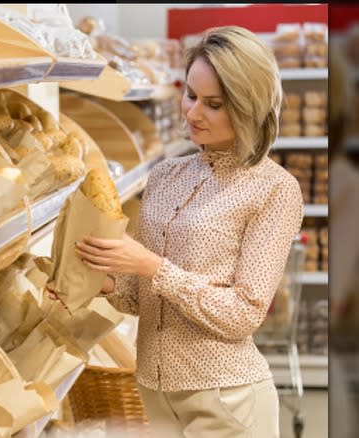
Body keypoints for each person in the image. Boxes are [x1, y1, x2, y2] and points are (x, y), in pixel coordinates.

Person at [75, 26, 303, 437]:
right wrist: (97, 278)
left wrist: (152, 266)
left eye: (214, 104)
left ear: (248, 107)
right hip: (155, 392)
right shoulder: (164, 176)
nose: (193, 113)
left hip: (228, 399)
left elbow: (243, 315)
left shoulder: (274, 189)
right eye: (191, 95)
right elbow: (140, 296)